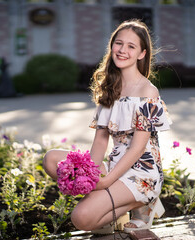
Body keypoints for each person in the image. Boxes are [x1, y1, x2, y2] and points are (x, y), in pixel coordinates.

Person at [43, 19, 172, 234]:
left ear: (142, 53)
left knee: (81, 219)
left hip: (141, 172)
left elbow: (138, 148)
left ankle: (143, 203)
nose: (122, 50)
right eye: (118, 43)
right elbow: (101, 141)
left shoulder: (148, 92)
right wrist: (90, 175)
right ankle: (109, 209)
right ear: (111, 46)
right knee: (51, 160)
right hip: (114, 165)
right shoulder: (109, 88)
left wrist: (106, 182)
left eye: (131, 46)